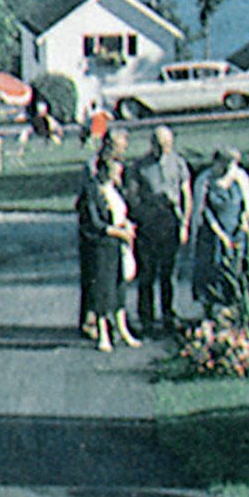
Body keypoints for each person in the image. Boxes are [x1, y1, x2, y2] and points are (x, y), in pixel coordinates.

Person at [124, 124, 192, 334]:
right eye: (159, 145)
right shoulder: (139, 167)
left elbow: (185, 194)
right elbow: (132, 197)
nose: (163, 149)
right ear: (151, 144)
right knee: (147, 273)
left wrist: (185, 224)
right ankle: (146, 317)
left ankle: (169, 315)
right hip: (148, 225)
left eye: (167, 145)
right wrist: (142, 217)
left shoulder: (178, 163)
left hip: (170, 222)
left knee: (168, 273)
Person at [76, 147, 141, 352]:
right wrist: (117, 231)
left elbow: (121, 213)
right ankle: (103, 334)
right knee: (103, 291)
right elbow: (94, 223)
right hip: (101, 247)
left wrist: (127, 226)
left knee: (119, 287)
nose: (118, 177)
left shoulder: (115, 190)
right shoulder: (91, 192)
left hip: (118, 246)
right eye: (115, 172)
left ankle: (123, 330)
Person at [189, 146, 249, 312]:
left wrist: (248, 223)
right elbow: (202, 211)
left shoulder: (239, 178)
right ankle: (210, 310)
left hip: (236, 232)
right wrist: (219, 233)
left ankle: (234, 308)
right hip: (212, 235)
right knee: (213, 269)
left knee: (236, 269)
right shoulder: (205, 180)